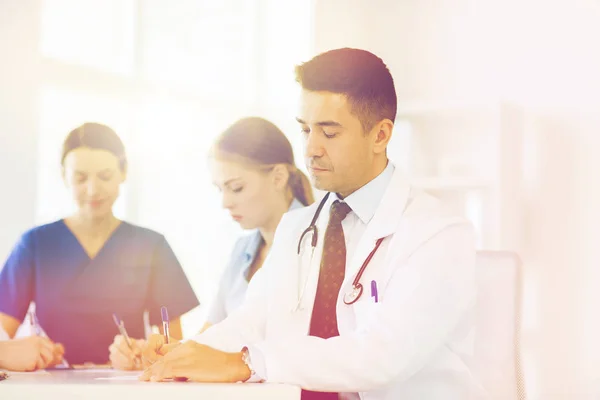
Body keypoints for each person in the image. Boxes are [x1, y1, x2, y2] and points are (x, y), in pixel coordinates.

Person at [139, 48, 484, 399]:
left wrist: (249, 363)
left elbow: (383, 356)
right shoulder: (297, 228)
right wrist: (181, 355)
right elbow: (253, 320)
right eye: (305, 130)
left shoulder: (439, 234)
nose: (311, 149)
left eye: (329, 133)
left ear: (380, 136)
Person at [109, 117, 314, 369]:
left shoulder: (320, 241)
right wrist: (158, 355)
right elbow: (208, 339)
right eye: (220, 190)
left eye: (236, 188)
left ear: (278, 176)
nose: (225, 202)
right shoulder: (242, 251)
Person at [0, 122, 199, 367]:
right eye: (80, 178)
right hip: (50, 386)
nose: (93, 190)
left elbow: (173, 347)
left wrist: (146, 354)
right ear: (64, 177)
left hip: (127, 385)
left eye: (105, 176)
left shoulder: (152, 246)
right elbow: (2, 336)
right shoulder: (35, 244)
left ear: (123, 172)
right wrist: (13, 352)